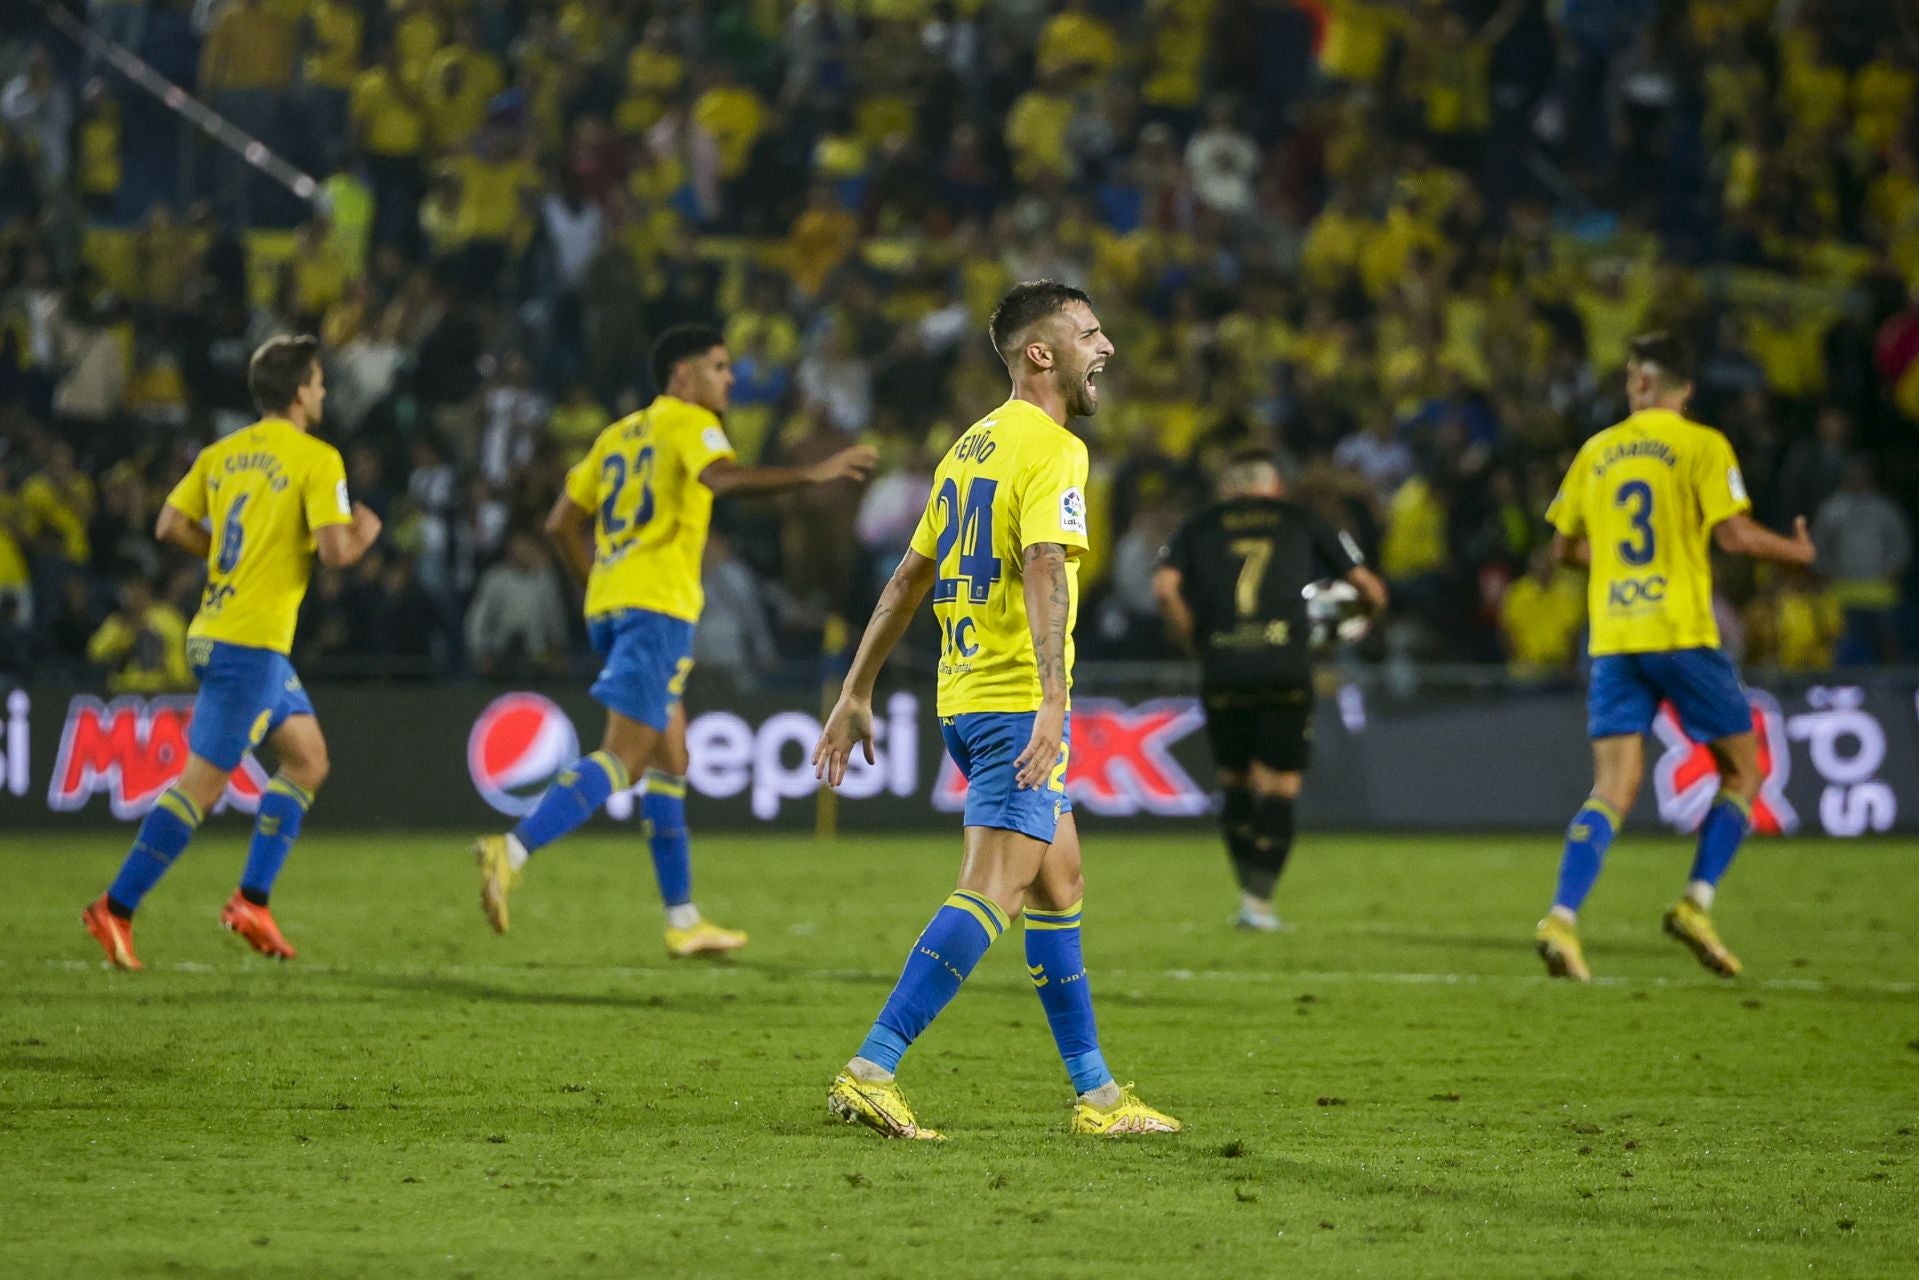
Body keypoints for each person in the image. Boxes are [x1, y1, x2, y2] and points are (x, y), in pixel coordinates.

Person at [813, 280, 1179, 1140]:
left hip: (965, 696)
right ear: (1040, 353)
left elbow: (909, 578)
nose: (1108, 348)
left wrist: (855, 688)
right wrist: (1055, 702)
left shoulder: (969, 448)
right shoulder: (1052, 447)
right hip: (1016, 703)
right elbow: (1045, 564)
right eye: (1090, 333)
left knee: (1061, 883)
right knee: (992, 890)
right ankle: (872, 1066)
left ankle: (1097, 1098)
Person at [472, 325, 875, 957]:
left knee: (672, 761)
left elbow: (560, 523)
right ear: (683, 377)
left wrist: (598, 582)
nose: (730, 379)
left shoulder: (614, 436)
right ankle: (512, 849)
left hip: (616, 604)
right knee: (624, 758)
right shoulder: (690, 422)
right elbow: (723, 480)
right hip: (657, 606)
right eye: (719, 367)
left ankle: (683, 919)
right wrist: (813, 472)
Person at [82, 335, 383, 969]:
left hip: (223, 630)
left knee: (307, 760)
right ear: (300, 390)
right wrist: (365, 534)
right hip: (248, 642)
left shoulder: (224, 452)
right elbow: (334, 555)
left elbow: (169, 525)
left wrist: (231, 558)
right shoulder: (317, 457)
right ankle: (116, 907)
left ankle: (252, 901)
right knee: (202, 788)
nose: (325, 391)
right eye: (320, 382)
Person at [1534, 333, 1816, 983]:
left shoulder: (1595, 452)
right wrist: (1797, 555)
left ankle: (1562, 917)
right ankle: (1695, 903)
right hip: (1682, 633)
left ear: (1636, 383)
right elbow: (1736, 535)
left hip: (1614, 639)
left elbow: (1565, 553)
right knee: (1743, 774)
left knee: (1611, 790)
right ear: (1686, 388)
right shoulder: (1703, 445)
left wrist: (1620, 569)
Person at [1152, 450, 1386, 931]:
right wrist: (1344, 631)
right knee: (1280, 786)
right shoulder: (1303, 520)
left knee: (1235, 781)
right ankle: (1259, 902)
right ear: (1274, 487)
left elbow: (1164, 589)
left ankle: (1247, 893)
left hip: (1222, 667)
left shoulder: (1198, 525)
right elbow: (1372, 591)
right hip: (1284, 667)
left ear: (1227, 488)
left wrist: (1196, 643)